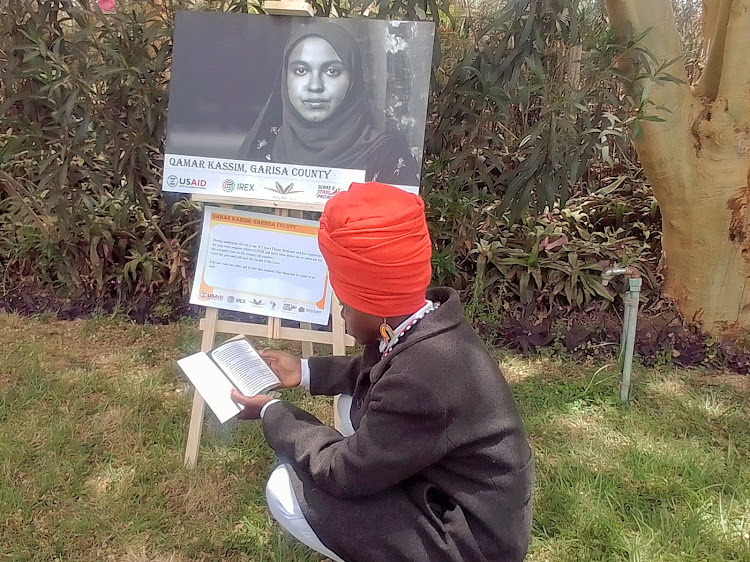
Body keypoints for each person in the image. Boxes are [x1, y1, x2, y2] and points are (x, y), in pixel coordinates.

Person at [231, 182, 534, 562]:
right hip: (462, 499)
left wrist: (272, 412)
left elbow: (342, 471)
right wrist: (303, 371)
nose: (342, 314)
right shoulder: (427, 322)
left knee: (285, 489)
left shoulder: (421, 382)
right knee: (351, 403)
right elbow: (377, 368)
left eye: (346, 303)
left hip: (469, 540)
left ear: (378, 307)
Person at [237, 22, 420, 186]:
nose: (315, 86)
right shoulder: (263, 147)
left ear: (353, 79)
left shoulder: (388, 159)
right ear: (285, 77)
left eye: (332, 71)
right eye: (301, 70)